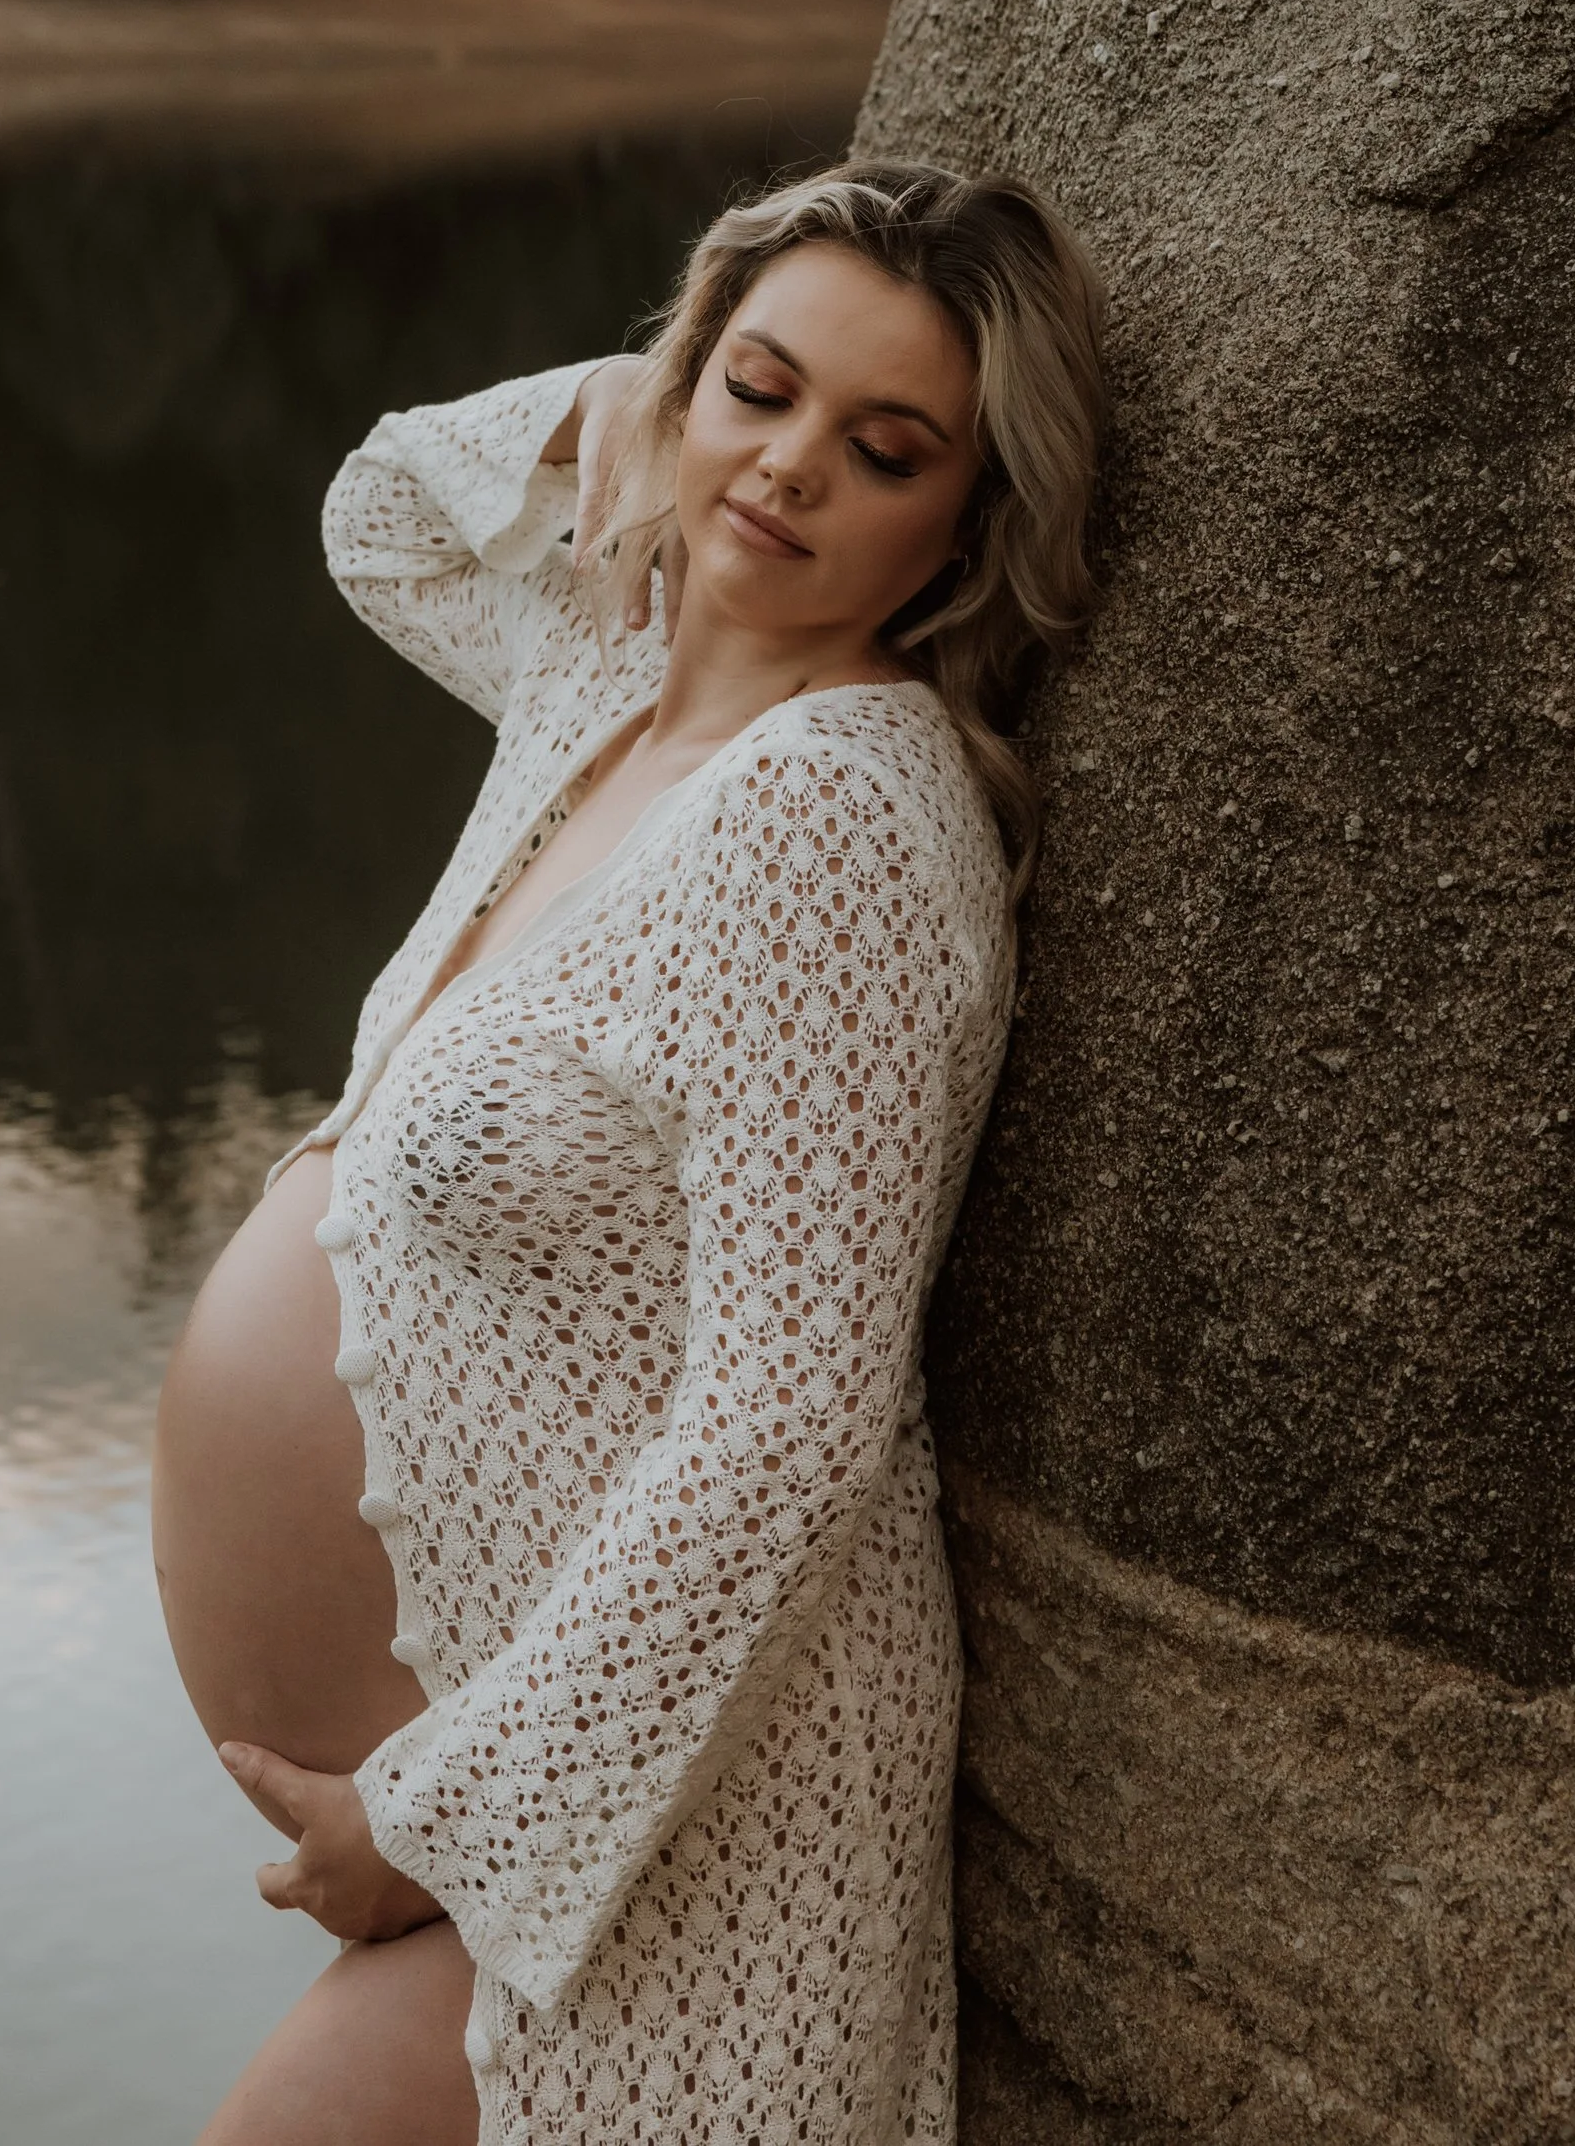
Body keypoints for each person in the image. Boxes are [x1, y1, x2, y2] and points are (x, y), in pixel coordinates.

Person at [153, 158, 1107, 2143]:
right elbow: (383, 515)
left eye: (883, 445)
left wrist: (434, 1822)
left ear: (963, 519)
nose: (785, 473)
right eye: (759, 389)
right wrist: (638, 390)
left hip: (663, 1835)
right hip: (503, 1833)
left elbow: (793, 1416)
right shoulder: (600, 675)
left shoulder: (834, 821)